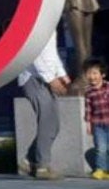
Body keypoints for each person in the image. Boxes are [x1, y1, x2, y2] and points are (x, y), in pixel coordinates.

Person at [18, 34, 70, 180]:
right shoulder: (39, 24)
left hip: (44, 78)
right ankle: (42, 167)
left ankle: (28, 160)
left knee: (53, 124)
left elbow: (51, 53)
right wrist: (51, 79)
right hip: (34, 79)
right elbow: (36, 54)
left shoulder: (51, 25)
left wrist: (61, 74)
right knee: (47, 123)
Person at [83, 58, 109, 180]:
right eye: (89, 73)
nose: (91, 76)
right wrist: (89, 124)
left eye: (95, 73)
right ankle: (100, 169)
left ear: (102, 75)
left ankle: (108, 170)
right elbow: (88, 108)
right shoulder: (88, 91)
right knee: (100, 148)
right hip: (98, 125)